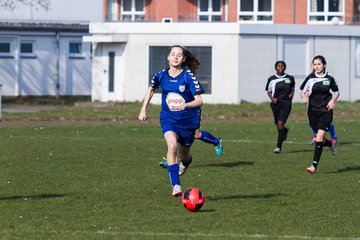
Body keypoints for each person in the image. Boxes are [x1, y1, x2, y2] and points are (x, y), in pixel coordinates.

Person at [138, 45, 204, 197]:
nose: (175, 57)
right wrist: (143, 109)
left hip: (188, 122)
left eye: (179, 55)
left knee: (184, 156)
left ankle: (185, 163)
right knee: (171, 145)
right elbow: (151, 88)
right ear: (168, 57)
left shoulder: (188, 76)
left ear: (184, 58)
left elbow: (199, 101)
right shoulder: (161, 76)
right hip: (169, 119)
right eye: (172, 54)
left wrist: (185, 105)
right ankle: (176, 186)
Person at [300, 55, 339, 174]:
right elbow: (302, 91)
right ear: (312, 66)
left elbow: (336, 92)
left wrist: (332, 101)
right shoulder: (310, 78)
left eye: (319, 64)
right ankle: (330, 144)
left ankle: (313, 165)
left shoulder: (329, 78)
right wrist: (304, 98)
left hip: (325, 111)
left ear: (324, 65)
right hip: (312, 110)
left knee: (319, 137)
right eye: (314, 64)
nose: (316, 66)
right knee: (319, 139)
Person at [265, 61, 295, 153]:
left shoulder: (290, 78)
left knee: (281, 123)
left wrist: (291, 94)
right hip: (275, 104)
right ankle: (284, 131)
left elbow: (293, 87)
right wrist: (272, 98)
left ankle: (278, 147)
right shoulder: (271, 79)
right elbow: (268, 91)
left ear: (285, 67)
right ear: (275, 68)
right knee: (278, 124)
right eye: (278, 66)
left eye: (282, 66)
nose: (280, 67)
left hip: (286, 103)